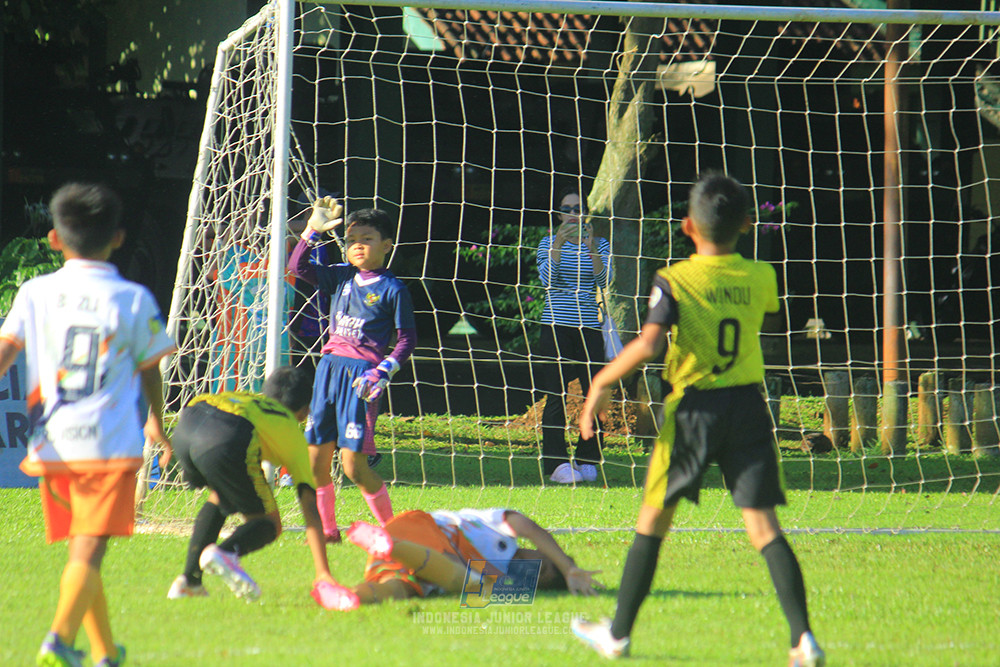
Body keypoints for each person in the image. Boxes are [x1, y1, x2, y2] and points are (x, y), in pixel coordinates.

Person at [570, 173, 824, 666]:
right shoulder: (761, 277)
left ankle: (617, 635)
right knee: (765, 529)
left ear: (687, 226)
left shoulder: (675, 279)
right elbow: (761, 316)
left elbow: (650, 343)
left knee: (652, 522)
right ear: (747, 224)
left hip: (693, 411)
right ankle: (803, 639)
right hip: (748, 408)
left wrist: (600, 383)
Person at [0, 183, 175, 667]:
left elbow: (6, 350)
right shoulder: (132, 298)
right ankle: (58, 639)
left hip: (53, 444)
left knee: (83, 548)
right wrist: (156, 420)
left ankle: (104, 652)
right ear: (118, 238)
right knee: (89, 553)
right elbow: (150, 368)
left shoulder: (35, 292)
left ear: (54, 238)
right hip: (108, 444)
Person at [288, 197, 416, 541]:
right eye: (351, 240)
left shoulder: (393, 289)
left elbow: (407, 340)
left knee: (353, 468)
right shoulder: (341, 276)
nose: (357, 246)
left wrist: (383, 371)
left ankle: (394, 532)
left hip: (361, 378)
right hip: (328, 372)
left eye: (367, 239)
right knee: (315, 463)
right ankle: (328, 531)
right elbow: (298, 267)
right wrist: (312, 231)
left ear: (386, 245)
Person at [166, 366, 338, 602]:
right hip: (227, 435)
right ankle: (225, 553)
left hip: (187, 425)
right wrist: (323, 572)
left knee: (221, 495)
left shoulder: (249, 399)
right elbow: (309, 505)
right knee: (269, 523)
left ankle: (189, 582)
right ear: (304, 410)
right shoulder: (290, 429)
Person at [311, 508, 602, 610]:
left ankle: (348, 598)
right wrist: (568, 568)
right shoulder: (498, 531)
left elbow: (496, 590)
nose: (533, 571)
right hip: (422, 530)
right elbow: (529, 527)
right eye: (544, 565)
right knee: (462, 579)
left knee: (397, 588)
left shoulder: (501, 581)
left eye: (538, 579)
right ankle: (391, 545)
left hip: (415, 559)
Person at [535, 186, 612, 484]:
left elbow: (604, 280)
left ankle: (587, 458)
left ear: (586, 214)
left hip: (588, 327)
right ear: (558, 214)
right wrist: (557, 244)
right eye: (566, 209)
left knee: (595, 393)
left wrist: (591, 248)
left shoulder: (601, 244)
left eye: (578, 209)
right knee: (555, 394)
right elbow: (547, 280)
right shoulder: (547, 243)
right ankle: (556, 464)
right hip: (555, 325)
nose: (572, 214)